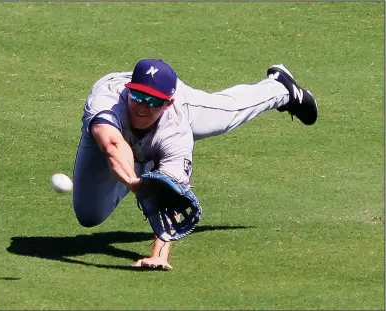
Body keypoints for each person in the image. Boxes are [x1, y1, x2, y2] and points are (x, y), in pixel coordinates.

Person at [72, 58, 318, 270]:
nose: (143, 106)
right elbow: (112, 145)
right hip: (110, 141)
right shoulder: (107, 101)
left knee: (227, 113)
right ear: (128, 89)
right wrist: (138, 185)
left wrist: (158, 256)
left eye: (154, 101)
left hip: (178, 119)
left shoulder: (177, 127)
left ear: (168, 102)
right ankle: (146, 172)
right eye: (138, 95)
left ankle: (280, 88)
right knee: (89, 214)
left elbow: (173, 196)